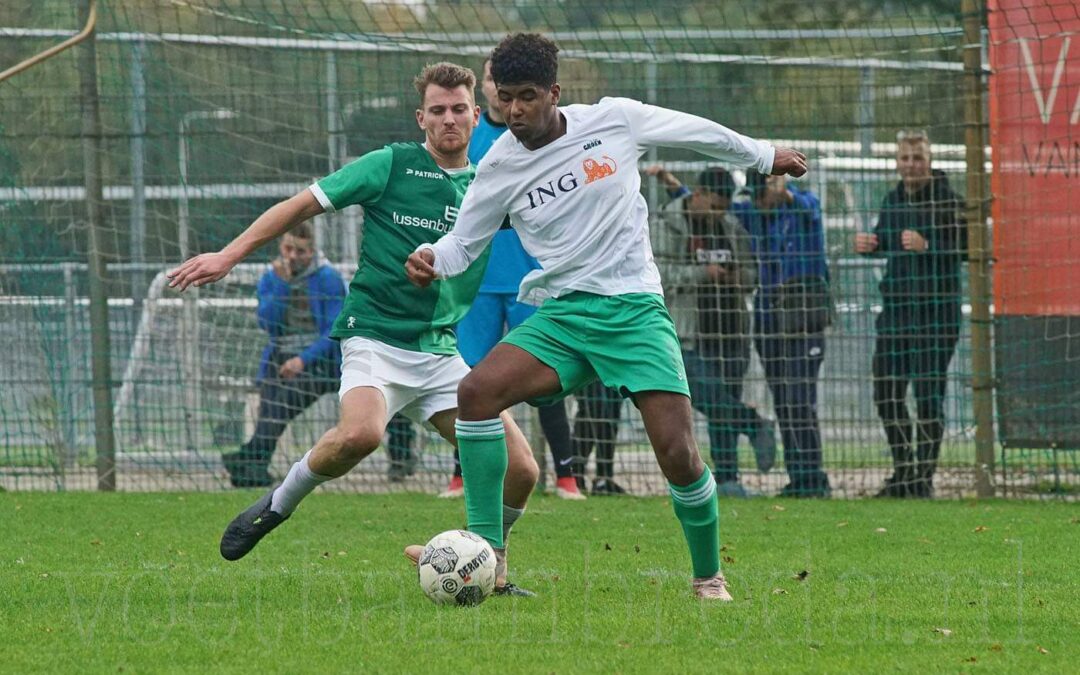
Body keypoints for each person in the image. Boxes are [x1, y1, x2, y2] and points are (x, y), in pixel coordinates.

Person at [405, 33, 808, 600]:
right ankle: (487, 555)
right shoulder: (497, 165)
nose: (513, 111)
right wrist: (431, 259)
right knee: (476, 393)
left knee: (678, 453)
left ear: (554, 92)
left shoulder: (614, 120)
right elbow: (462, 244)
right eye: (504, 98)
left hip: (633, 309)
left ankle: (708, 577)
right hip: (564, 314)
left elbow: (695, 131)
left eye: (526, 97)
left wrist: (764, 156)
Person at [168, 62, 539, 595]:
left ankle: (489, 568)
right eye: (438, 110)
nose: (450, 119)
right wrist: (229, 255)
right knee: (361, 435)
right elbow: (300, 206)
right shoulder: (391, 165)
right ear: (422, 118)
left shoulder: (490, 184)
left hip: (438, 351)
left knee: (522, 469)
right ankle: (277, 504)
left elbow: (549, 220)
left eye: (460, 109)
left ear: (477, 114)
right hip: (375, 337)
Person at [445, 56, 583, 501]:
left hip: (531, 281)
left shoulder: (542, 137)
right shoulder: (469, 140)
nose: (499, 92)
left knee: (546, 381)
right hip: (478, 284)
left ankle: (565, 476)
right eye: (492, 82)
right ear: (486, 89)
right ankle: (461, 477)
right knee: (467, 382)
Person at [648, 165, 778, 497]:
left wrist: (737, 278)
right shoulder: (668, 224)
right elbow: (660, 275)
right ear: (700, 194)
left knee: (724, 404)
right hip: (688, 333)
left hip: (732, 330)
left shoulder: (731, 227)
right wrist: (704, 273)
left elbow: (751, 275)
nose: (720, 213)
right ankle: (753, 424)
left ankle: (729, 478)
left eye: (725, 208)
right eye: (716, 205)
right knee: (705, 396)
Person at [855, 130, 966, 498]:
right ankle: (904, 471)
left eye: (917, 158)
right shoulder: (893, 200)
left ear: (929, 160)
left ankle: (923, 478)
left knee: (928, 396)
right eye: (905, 158)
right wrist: (870, 245)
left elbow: (968, 248)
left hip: (937, 314)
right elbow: (886, 238)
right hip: (897, 313)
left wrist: (928, 244)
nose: (911, 165)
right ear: (897, 162)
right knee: (886, 390)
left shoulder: (950, 202)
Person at [219, 224, 344, 488]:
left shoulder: (328, 278)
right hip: (280, 356)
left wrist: (302, 360)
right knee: (270, 408)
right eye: (288, 249)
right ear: (280, 247)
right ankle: (252, 471)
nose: (293, 256)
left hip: (322, 362)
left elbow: (334, 332)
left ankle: (244, 459)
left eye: (300, 251)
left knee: (279, 406)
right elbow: (268, 323)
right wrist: (282, 286)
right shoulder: (271, 278)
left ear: (311, 251)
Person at [734, 170, 831, 498]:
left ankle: (813, 478)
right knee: (784, 401)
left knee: (799, 399)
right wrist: (676, 187)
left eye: (763, 193)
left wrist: (787, 193)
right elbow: (715, 207)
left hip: (803, 315)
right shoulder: (753, 215)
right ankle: (798, 478)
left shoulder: (803, 207)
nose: (759, 202)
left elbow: (810, 209)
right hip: (769, 317)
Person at [570, 381, 626, 495]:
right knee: (594, 409)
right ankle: (576, 474)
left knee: (611, 414)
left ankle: (604, 478)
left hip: (615, 368)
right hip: (589, 368)